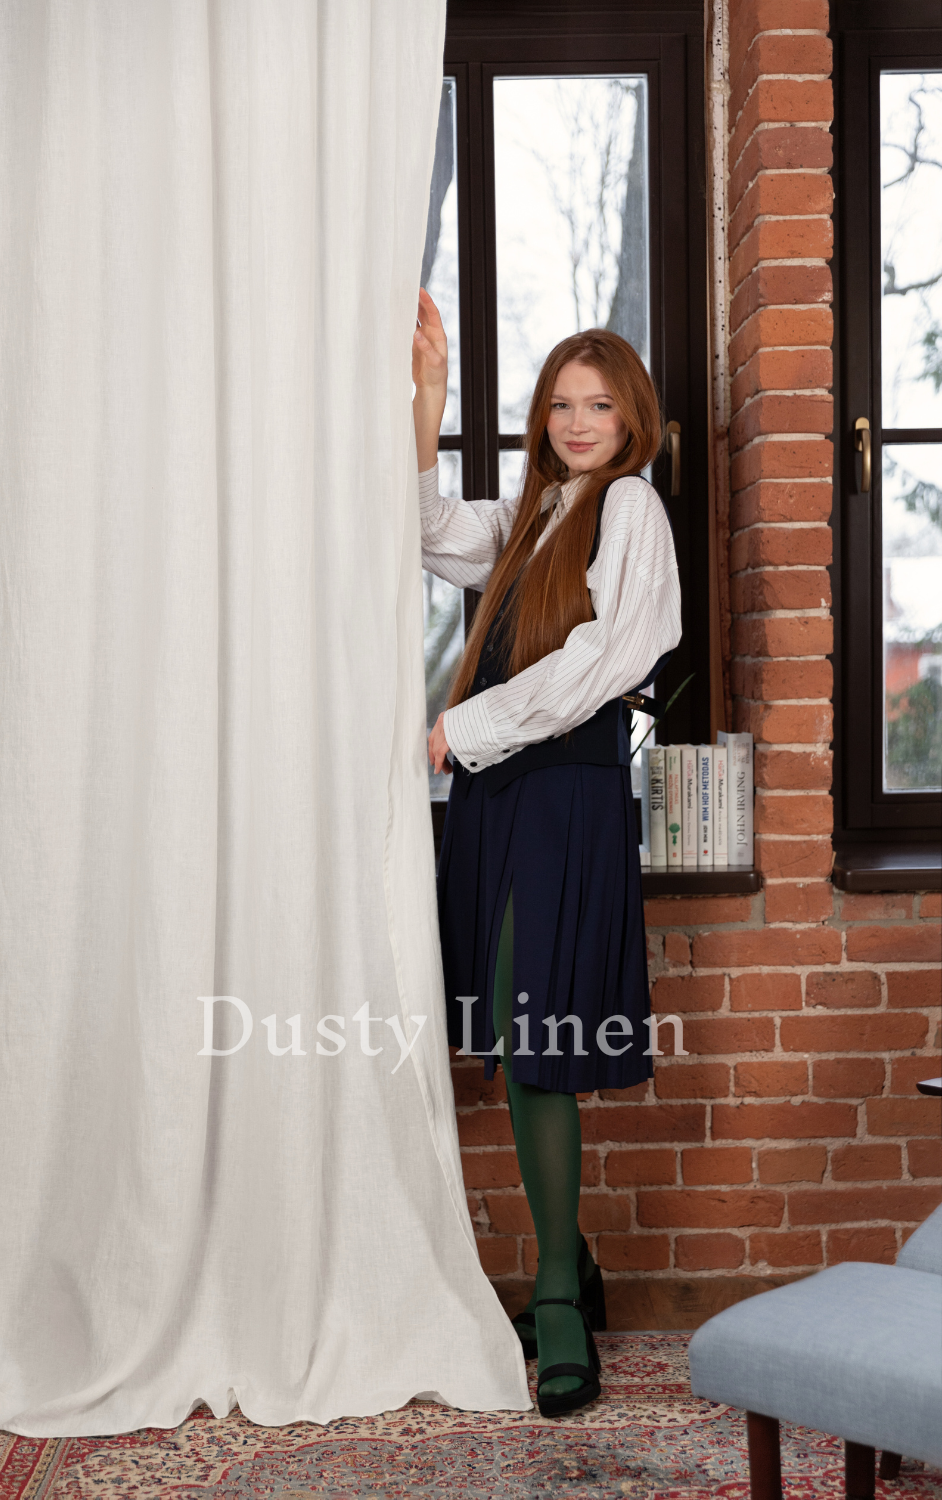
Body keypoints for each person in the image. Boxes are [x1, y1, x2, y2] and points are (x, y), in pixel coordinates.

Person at [412, 289, 681, 1418]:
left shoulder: (629, 511)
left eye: (599, 404)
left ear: (632, 418)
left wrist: (454, 730)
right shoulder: (533, 515)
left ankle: (560, 1291)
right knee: (516, 1038)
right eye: (562, 405)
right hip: (493, 802)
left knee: (537, 1044)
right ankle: (575, 1273)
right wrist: (426, 408)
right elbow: (419, 534)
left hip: (559, 796)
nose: (578, 423)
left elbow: (601, 659)